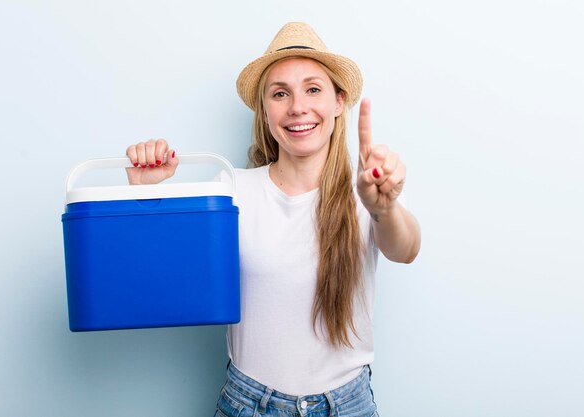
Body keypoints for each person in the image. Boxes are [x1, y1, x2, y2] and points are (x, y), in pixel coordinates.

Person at [125, 22, 420, 417]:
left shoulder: (365, 191)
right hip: (248, 403)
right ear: (265, 111)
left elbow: (406, 249)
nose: (298, 107)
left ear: (338, 101)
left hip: (348, 405)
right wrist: (144, 196)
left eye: (313, 89)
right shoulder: (231, 189)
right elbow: (163, 277)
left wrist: (383, 207)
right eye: (280, 94)